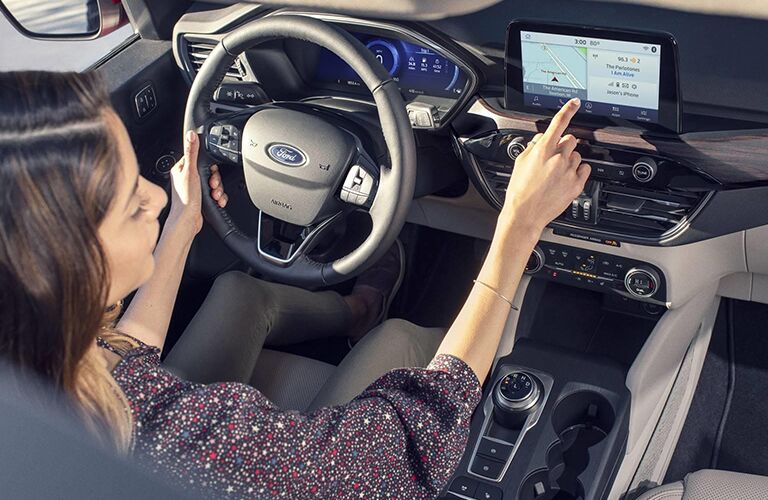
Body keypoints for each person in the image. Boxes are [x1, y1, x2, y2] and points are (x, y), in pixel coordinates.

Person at [0, 71, 589, 499]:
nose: (156, 196)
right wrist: (518, 228)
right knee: (401, 339)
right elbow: (403, 444)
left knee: (238, 290)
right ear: (63, 269)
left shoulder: (43, 361)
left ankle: (356, 308)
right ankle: (415, 323)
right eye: (133, 203)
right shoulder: (190, 445)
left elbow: (124, 357)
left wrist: (182, 226)